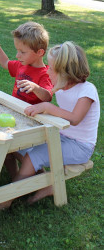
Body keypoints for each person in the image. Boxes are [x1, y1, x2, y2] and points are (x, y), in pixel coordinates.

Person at [16, 41, 100, 204]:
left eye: (52, 69)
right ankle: (41, 184)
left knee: (33, 156)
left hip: (80, 146)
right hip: (61, 135)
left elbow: (75, 119)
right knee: (23, 144)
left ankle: (11, 195)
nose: (47, 71)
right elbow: (48, 97)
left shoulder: (87, 91)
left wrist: (48, 107)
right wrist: (35, 89)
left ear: (66, 73)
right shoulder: (61, 86)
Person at [0, 21, 53, 105]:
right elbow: (5, 62)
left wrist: (35, 87)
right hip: (15, 108)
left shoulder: (46, 74)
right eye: (17, 50)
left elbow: (47, 97)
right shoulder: (21, 65)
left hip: (30, 115)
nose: (17, 55)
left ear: (39, 52)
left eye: (22, 52)